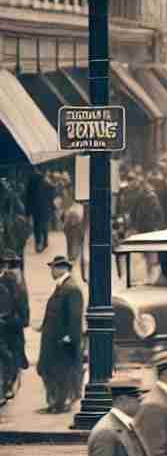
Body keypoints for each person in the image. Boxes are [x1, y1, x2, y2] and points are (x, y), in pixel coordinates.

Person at [37, 254, 84, 414]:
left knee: (62, 372)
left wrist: (69, 337)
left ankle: (60, 404)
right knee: (52, 370)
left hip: (62, 340)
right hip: (54, 338)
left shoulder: (71, 288)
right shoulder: (63, 286)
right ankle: (56, 403)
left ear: (61, 269)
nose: (51, 271)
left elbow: (75, 317)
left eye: (53, 268)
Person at [0, 249, 29, 398]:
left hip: (11, 325)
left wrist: (22, 321)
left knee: (11, 356)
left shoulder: (12, 281)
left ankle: (9, 385)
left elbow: (21, 301)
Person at [24, 168, 55, 254]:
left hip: (35, 208)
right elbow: (51, 196)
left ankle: (38, 243)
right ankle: (44, 241)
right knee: (44, 224)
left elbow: (28, 198)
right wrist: (52, 208)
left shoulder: (31, 182)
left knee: (37, 225)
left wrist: (27, 212)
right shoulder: (46, 183)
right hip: (45, 207)